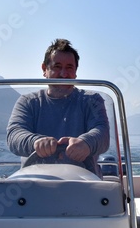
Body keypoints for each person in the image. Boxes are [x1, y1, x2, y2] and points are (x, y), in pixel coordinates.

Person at [6, 38, 110, 178]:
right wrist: (35, 142)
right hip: (34, 184)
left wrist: (86, 142)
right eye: (57, 66)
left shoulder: (92, 100)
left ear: (75, 72)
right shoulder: (27, 102)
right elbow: (14, 134)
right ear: (44, 69)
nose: (63, 74)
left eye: (69, 68)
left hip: (84, 184)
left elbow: (102, 132)